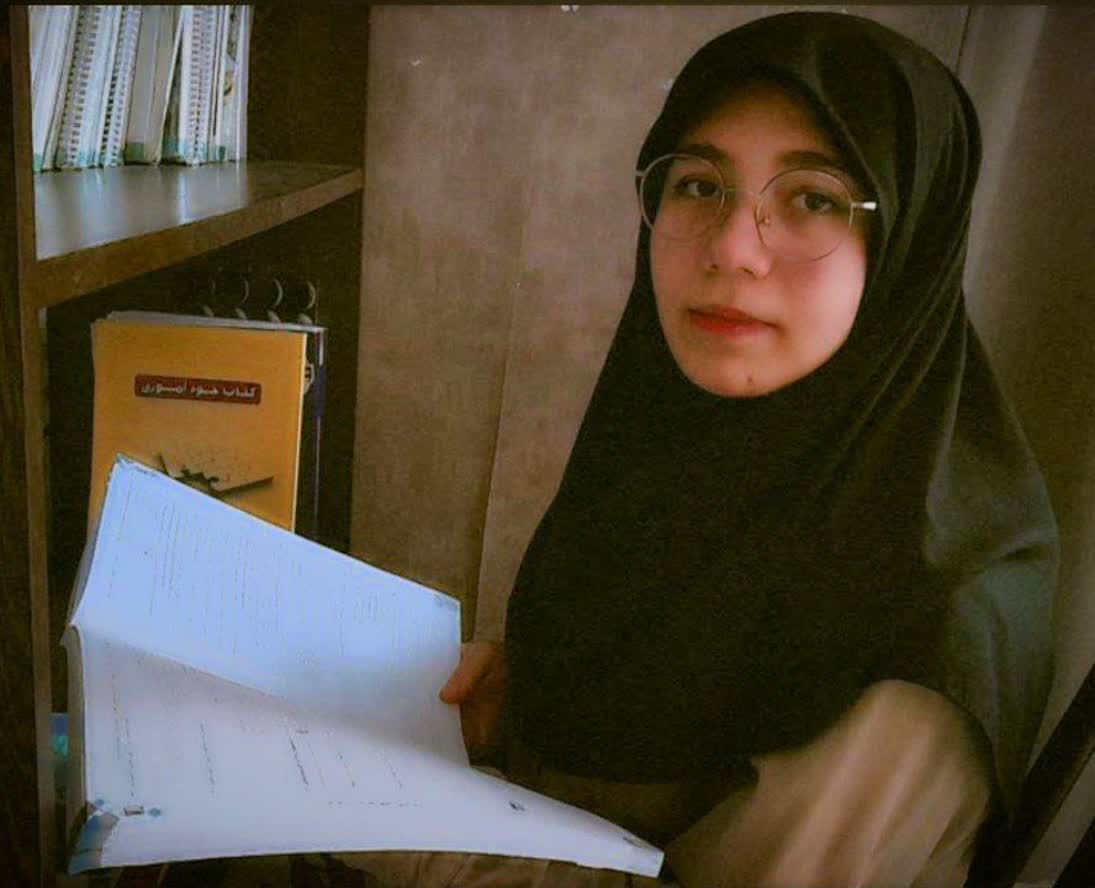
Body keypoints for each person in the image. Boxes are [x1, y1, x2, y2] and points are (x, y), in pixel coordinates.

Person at [336, 11, 1058, 887]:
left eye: (814, 199)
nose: (730, 249)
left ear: (910, 241)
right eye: (699, 185)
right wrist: (518, 718)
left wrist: (375, 818)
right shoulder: (689, 458)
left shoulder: (922, 639)